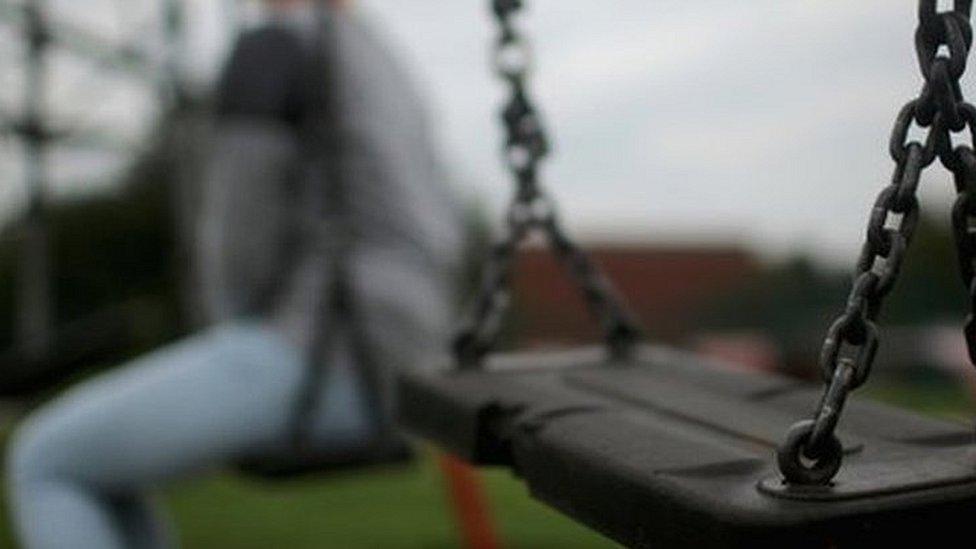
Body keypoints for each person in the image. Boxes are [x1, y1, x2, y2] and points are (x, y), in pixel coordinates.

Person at [5, 1, 464, 547]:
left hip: (324, 351)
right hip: (410, 355)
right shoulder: (380, 58)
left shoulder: (273, 47)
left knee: (46, 460)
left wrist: (231, 327)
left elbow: (240, 228)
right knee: (106, 472)